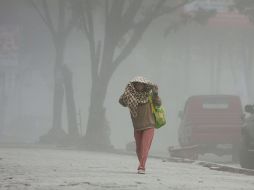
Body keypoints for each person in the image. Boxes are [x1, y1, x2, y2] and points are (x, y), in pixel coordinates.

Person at [119, 76, 161, 174]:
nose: (139, 86)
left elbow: (158, 103)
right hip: (137, 126)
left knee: (144, 146)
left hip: (149, 125)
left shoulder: (149, 95)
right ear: (134, 85)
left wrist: (155, 93)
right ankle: (142, 163)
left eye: (141, 84)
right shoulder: (130, 96)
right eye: (137, 84)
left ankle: (142, 166)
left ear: (144, 85)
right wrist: (126, 93)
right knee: (138, 148)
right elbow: (121, 102)